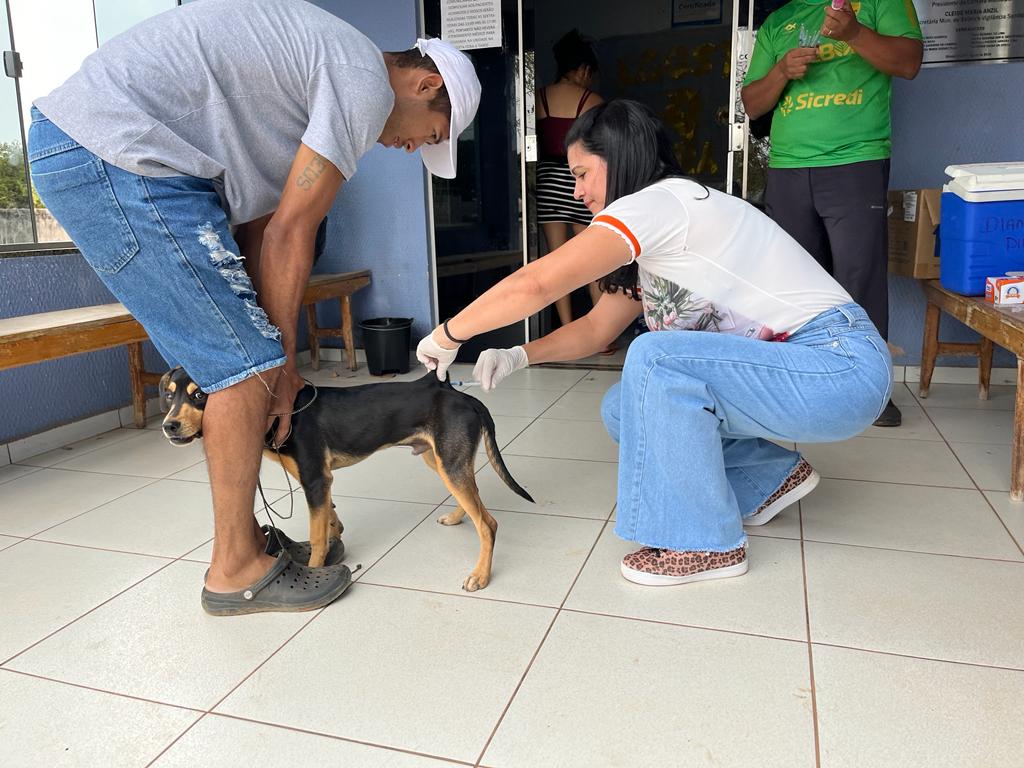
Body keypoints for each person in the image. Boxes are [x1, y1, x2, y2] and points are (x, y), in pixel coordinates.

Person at [28, 0, 480, 615]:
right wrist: (279, 366)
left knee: (245, 356)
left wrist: (267, 351)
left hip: (109, 150)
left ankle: (244, 543)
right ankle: (234, 569)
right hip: (116, 155)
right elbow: (291, 233)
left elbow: (263, 230)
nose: (410, 148)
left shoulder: (322, 71)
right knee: (243, 365)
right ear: (425, 86)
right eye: (429, 135)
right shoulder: (363, 82)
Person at [416, 100, 890, 586]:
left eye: (582, 174)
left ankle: (704, 543)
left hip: (838, 364)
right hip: (809, 371)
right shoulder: (660, 239)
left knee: (654, 358)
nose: (577, 192)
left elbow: (537, 284)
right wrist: (519, 354)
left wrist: (448, 334)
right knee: (624, 405)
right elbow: (596, 329)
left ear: (619, 159)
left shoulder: (662, 204)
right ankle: (767, 479)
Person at [740, 0, 923, 427]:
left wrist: (854, 34)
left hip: (855, 161)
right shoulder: (779, 21)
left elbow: (910, 63)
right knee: (791, 285)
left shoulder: (879, 3)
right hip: (787, 167)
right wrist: (781, 71)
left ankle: (870, 394)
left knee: (860, 279)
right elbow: (751, 103)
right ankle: (799, 386)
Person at [535, 30, 605, 333]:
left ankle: (566, 328)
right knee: (592, 260)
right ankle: (601, 331)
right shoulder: (593, 101)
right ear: (584, 70)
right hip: (581, 181)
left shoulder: (538, 98)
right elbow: (602, 150)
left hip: (548, 181)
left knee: (556, 260)